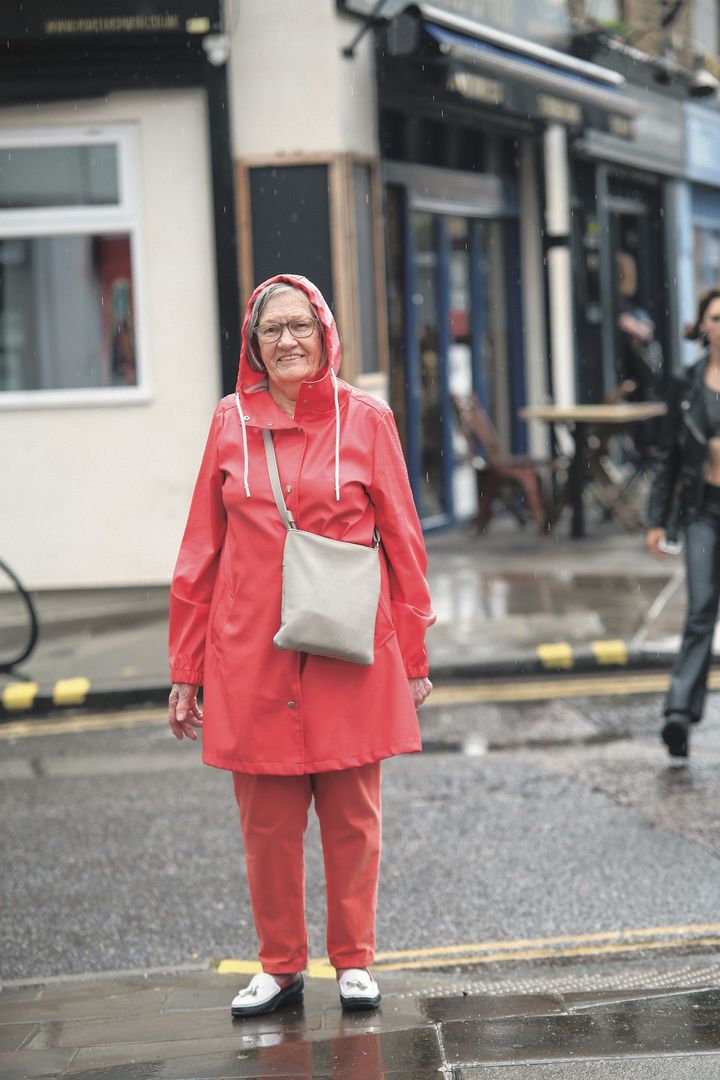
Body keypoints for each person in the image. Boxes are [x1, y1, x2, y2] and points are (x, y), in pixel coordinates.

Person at [167, 274, 434, 1016]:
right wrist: (185, 668)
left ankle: (353, 961)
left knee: (353, 817)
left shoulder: (367, 420)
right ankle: (281, 965)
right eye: (271, 330)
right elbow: (199, 553)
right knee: (267, 827)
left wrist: (412, 654)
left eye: (300, 326)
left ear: (325, 332)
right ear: (253, 346)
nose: (287, 340)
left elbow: (405, 543)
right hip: (249, 655)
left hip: (348, 650)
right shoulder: (229, 423)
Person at [646, 285, 720, 765]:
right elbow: (668, 457)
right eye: (715, 317)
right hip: (703, 512)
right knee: (700, 609)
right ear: (703, 327)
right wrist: (657, 520)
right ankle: (678, 712)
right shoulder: (686, 383)